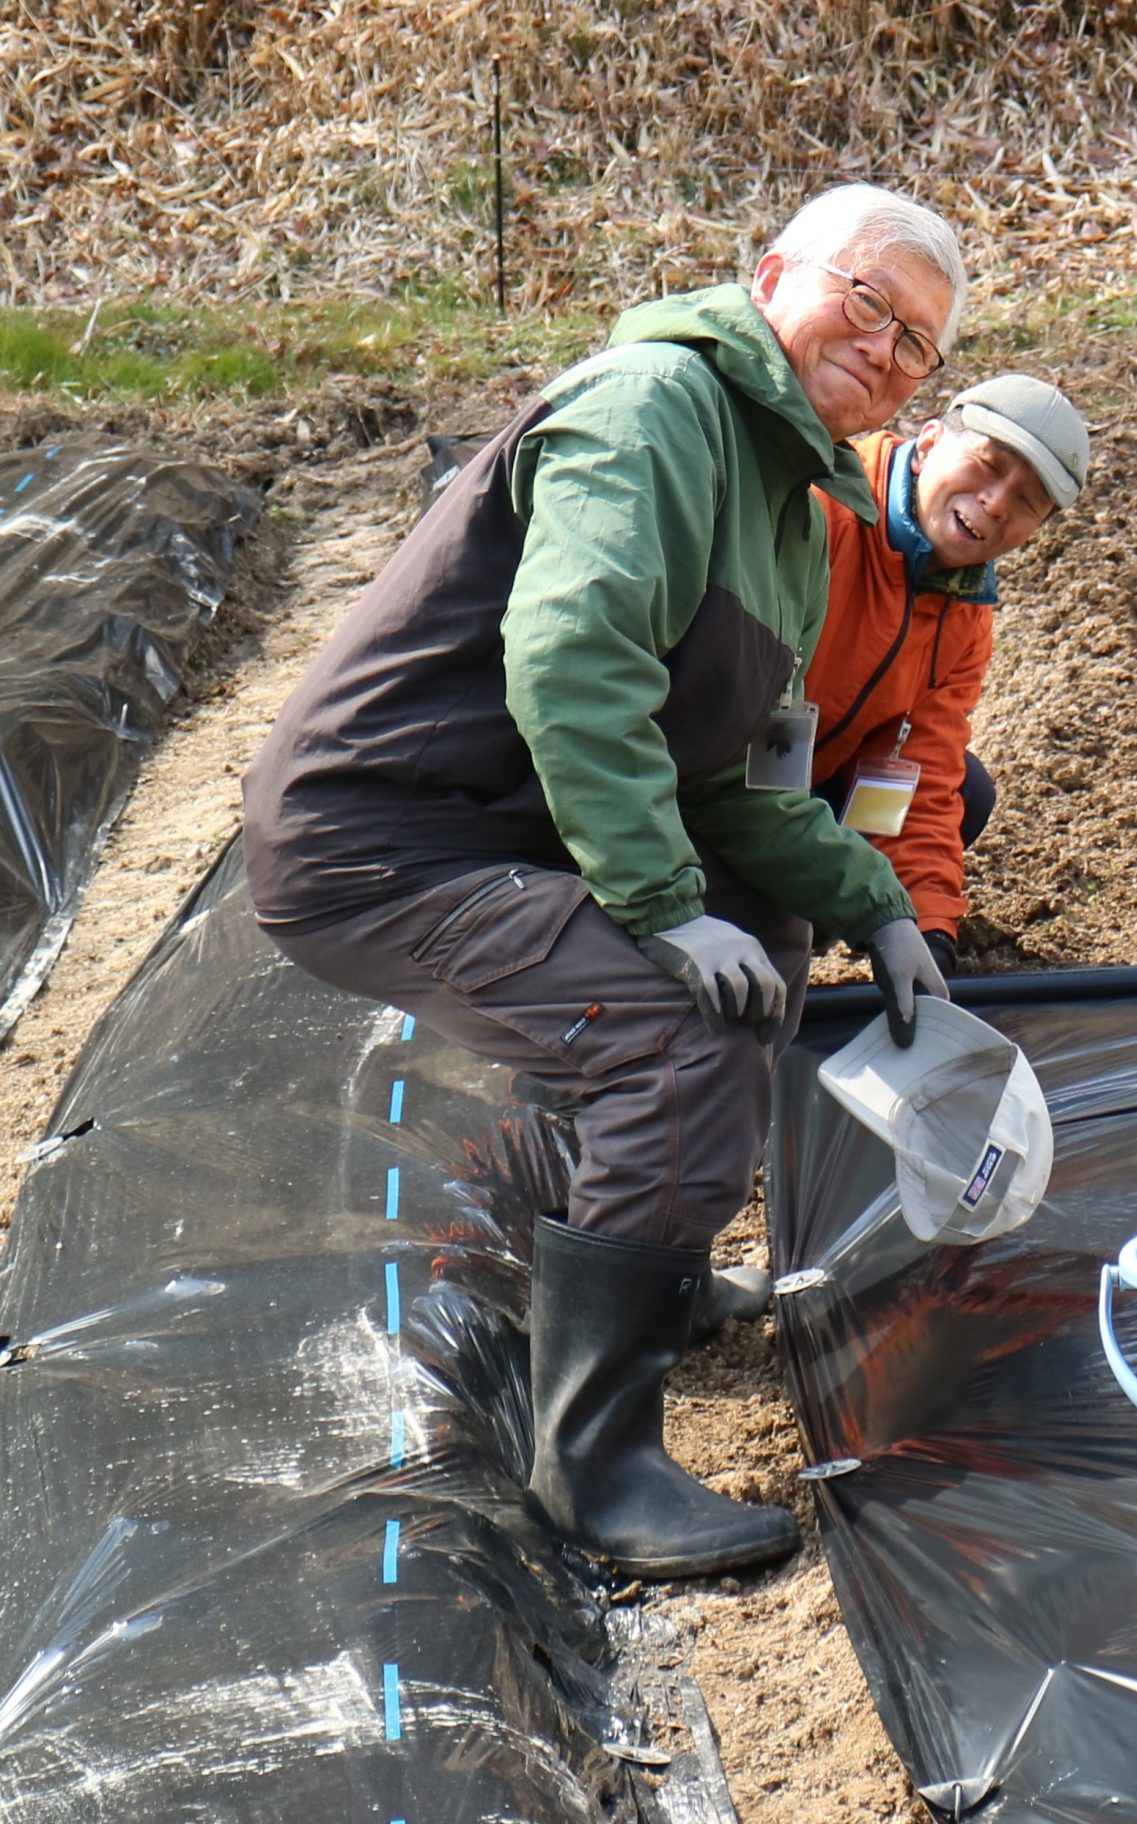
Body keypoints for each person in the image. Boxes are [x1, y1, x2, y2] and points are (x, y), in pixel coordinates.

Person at [239, 183, 967, 1581]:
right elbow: (574, 669)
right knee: (673, 1031)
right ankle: (596, 1462)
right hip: (381, 836)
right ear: (773, 278)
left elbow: (745, 778)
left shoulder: (799, 513)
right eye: (865, 302)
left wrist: (874, 902)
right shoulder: (654, 410)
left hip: (506, 828)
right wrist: (652, 905)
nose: (883, 349)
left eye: (918, 344)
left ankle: (657, 1268)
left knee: (766, 922)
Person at [807, 373, 1087, 976]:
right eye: (987, 465)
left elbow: (921, 769)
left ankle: (809, 923)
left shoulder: (965, 612)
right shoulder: (822, 506)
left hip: (803, 784)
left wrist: (928, 931)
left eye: (1028, 501)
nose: (995, 503)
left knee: (966, 793)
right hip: (716, 779)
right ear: (930, 440)